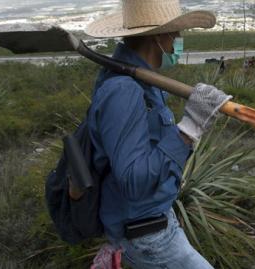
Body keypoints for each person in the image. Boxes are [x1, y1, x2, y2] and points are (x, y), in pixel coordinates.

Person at [84, 1, 231, 268]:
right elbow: (133, 181)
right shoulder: (124, 90)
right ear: (159, 37)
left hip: (154, 220)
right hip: (145, 236)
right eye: (176, 34)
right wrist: (189, 129)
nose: (178, 41)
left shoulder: (142, 81)